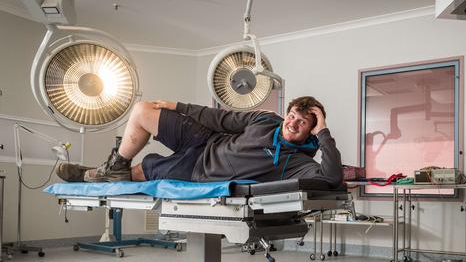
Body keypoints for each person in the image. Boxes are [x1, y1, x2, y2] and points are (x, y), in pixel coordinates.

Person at [56, 96, 343, 187]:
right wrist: (178, 105)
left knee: (143, 170)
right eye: (292, 115)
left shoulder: (297, 163)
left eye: (303, 122)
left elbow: (331, 177)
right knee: (144, 110)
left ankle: (89, 176)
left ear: (312, 130)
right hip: (206, 139)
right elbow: (220, 118)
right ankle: (115, 166)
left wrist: (325, 133)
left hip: (198, 171)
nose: (292, 123)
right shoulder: (266, 119)